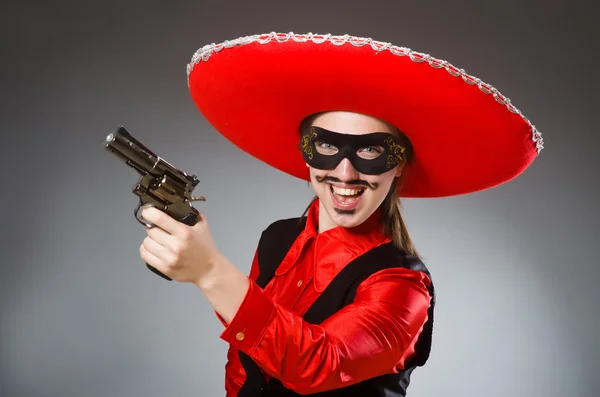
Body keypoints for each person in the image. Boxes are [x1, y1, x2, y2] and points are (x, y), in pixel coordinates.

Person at [139, 32, 544, 396]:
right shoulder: (278, 238)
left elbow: (319, 363)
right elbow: (249, 352)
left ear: (399, 164)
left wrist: (209, 271)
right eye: (328, 148)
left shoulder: (403, 284)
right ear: (306, 153)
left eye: (370, 151)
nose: (345, 173)